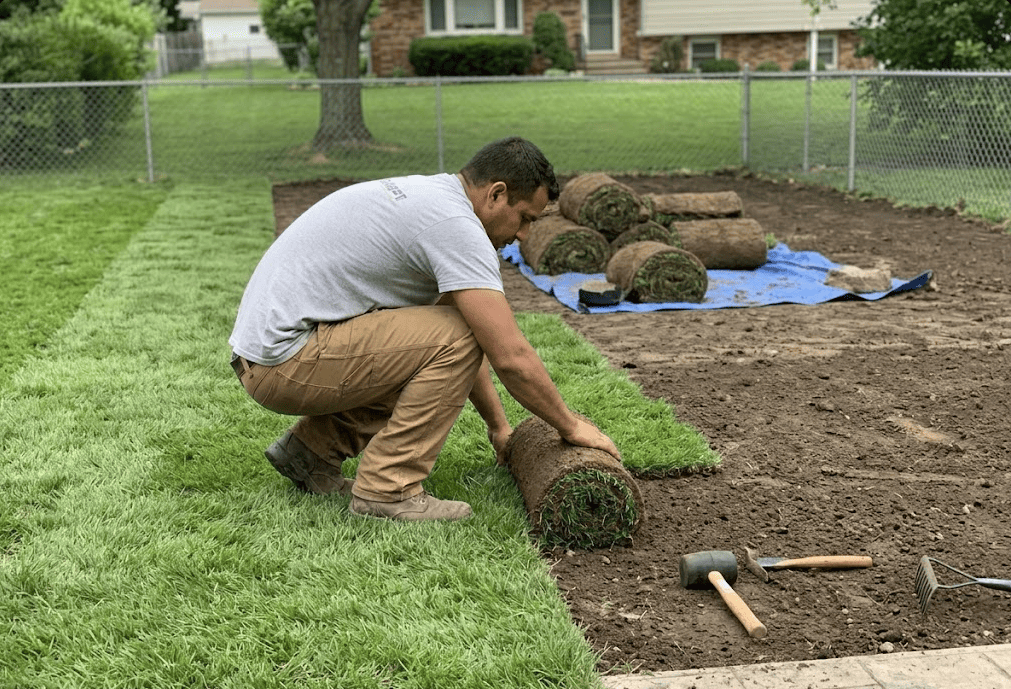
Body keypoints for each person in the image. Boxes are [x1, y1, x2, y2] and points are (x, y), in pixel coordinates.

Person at [228, 136, 620, 522]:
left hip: (270, 354)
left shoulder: (434, 198)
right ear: (496, 194)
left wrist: (499, 427)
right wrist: (570, 426)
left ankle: (311, 453)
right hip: (283, 360)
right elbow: (509, 356)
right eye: (525, 218)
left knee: (442, 336)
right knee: (460, 334)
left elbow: (443, 341)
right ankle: (388, 489)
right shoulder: (457, 226)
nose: (524, 235)